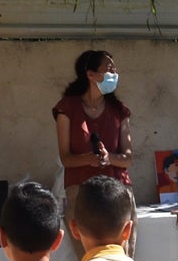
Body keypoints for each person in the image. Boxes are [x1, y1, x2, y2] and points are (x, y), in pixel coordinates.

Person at [54, 49, 133, 208]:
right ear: (91, 74)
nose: (114, 74)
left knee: (128, 219)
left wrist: (108, 157)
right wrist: (89, 159)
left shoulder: (119, 110)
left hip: (116, 184)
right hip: (79, 186)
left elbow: (128, 159)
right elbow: (66, 158)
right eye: (109, 69)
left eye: (115, 70)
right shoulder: (67, 108)